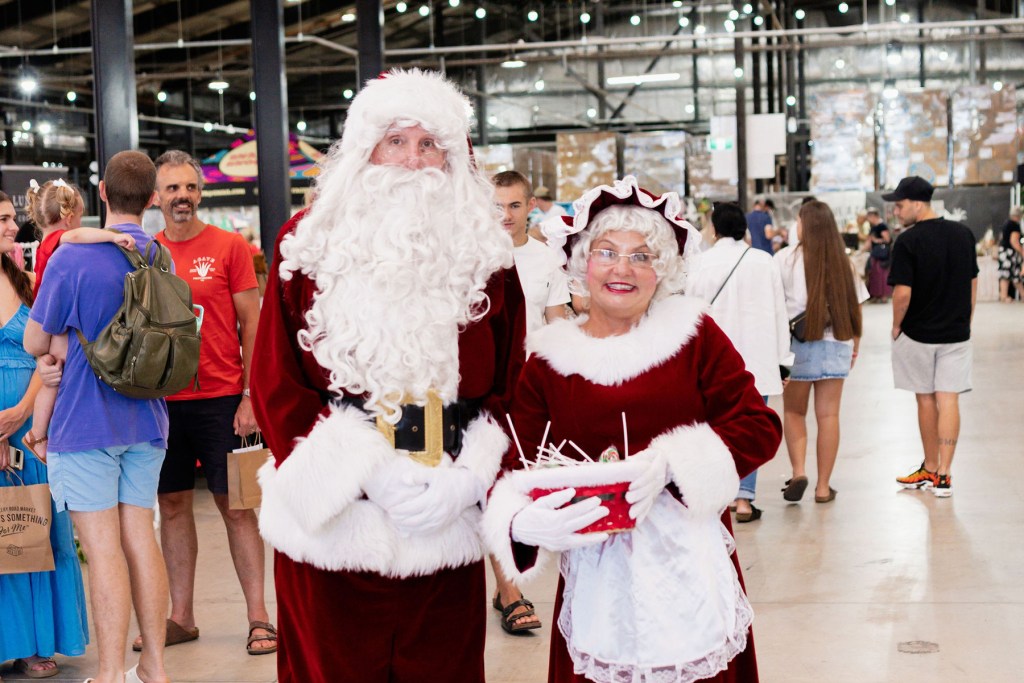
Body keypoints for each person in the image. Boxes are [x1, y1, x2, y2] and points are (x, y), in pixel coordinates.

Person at [250, 68, 526, 682]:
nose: (412, 160)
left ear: (454, 158)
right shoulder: (307, 244)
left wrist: (472, 481)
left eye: (430, 144)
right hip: (334, 523)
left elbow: (511, 382)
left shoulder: (486, 254)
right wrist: (358, 476)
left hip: (443, 512)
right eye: (396, 141)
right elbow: (275, 379)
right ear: (365, 150)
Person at [484, 177, 781, 683]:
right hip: (597, 577)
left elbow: (758, 425)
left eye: (642, 256)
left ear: (661, 270)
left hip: (692, 564)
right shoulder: (548, 362)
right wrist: (520, 520)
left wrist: (676, 464)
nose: (623, 268)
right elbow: (513, 464)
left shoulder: (694, 336)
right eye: (607, 252)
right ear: (582, 263)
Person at [25, 151, 171, 683]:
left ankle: (109, 675)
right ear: (153, 198)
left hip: (84, 423)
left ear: (103, 194)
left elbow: (36, 340)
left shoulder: (70, 259)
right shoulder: (158, 256)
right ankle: (153, 666)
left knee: (103, 548)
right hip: (148, 421)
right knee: (141, 537)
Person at [127, 150, 273, 655]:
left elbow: (253, 323)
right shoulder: (146, 253)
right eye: (172, 189)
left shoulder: (231, 247)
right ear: (156, 197)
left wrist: (251, 396)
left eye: (189, 187)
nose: (182, 197)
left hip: (223, 399)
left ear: (200, 192)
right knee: (171, 506)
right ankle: (181, 616)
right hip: (162, 405)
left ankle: (259, 617)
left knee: (236, 508)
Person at [0, 191, 89, 680]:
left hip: (31, 426)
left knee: (34, 526)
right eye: (3, 220)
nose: (13, 227)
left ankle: (38, 641)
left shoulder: (29, 282)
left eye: (13, 219)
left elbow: (48, 356)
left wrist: (20, 412)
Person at [487, 170, 570, 635]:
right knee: (498, 487)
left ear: (530, 206)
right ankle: (512, 591)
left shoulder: (546, 261)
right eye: (497, 206)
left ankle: (506, 584)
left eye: (514, 206)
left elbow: (557, 325)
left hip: (535, 391)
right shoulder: (474, 258)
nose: (505, 215)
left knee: (532, 490)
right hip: (489, 390)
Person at [687, 201, 793, 523]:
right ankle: (744, 500)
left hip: (713, 360)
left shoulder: (698, 264)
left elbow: (689, 315)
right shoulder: (764, 262)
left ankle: (718, 497)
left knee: (714, 426)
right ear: (743, 228)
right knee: (747, 425)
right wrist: (782, 360)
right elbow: (779, 311)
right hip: (757, 357)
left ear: (714, 228)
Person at [21, 179, 136, 463]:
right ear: (69, 217)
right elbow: (75, 237)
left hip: (47, 312)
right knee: (55, 372)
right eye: (81, 219)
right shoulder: (59, 241)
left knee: (54, 370)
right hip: (51, 316)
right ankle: (37, 434)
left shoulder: (44, 244)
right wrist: (110, 236)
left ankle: (39, 433)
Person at [887, 176, 978, 497]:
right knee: (949, 398)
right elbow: (972, 282)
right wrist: (966, 318)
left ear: (917, 203)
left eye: (899, 205)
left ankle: (929, 464)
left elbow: (902, 294)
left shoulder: (908, 242)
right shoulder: (963, 234)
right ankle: (944, 474)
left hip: (917, 333)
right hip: (956, 333)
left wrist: (896, 325)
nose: (896, 211)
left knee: (925, 398)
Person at [775, 200, 867, 505]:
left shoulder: (784, 260)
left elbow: (775, 309)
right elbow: (856, 310)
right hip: (837, 344)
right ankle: (824, 487)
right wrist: (855, 346)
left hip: (796, 347)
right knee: (828, 415)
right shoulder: (845, 263)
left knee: (793, 411)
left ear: (805, 225)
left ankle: (799, 471)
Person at [865, 207, 893, 303]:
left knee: (882, 275)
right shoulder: (873, 227)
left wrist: (876, 240)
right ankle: (876, 294)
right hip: (875, 254)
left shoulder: (882, 226)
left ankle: (883, 295)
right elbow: (868, 242)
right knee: (875, 274)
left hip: (882, 255)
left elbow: (888, 240)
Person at [996, 206, 1023, 302]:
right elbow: (1014, 241)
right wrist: (1022, 252)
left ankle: (1004, 295)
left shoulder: (1006, 223)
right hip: (1010, 252)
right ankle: (1007, 296)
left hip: (1003, 251)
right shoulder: (1014, 225)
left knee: (1005, 274)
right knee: (1015, 274)